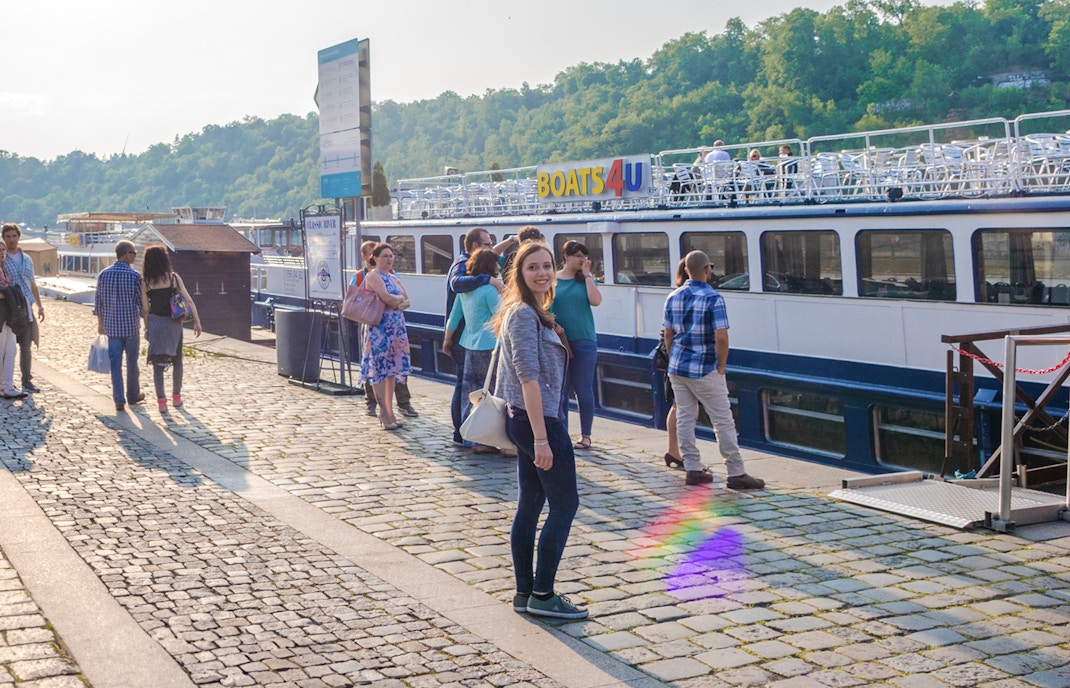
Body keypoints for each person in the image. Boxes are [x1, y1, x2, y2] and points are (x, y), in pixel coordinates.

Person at [493, 241, 587, 620]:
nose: (543, 273)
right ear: (520, 272)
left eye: (547, 266)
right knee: (565, 505)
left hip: (529, 420)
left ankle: (524, 593)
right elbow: (528, 378)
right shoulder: (523, 315)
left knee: (530, 506)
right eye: (533, 267)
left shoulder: (536, 312)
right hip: (539, 422)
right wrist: (542, 440)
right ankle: (544, 595)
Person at [662, 250, 764, 489]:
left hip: (677, 367)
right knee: (723, 420)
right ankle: (736, 472)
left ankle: (693, 469)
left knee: (686, 417)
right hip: (705, 368)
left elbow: (668, 334)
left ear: (686, 270)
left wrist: (672, 358)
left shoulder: (673, 296)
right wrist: (721, 366)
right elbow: (721, 338)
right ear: (707, 270)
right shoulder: (713, 298)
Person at [446, 227, 510, 446]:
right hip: (491, 347)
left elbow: (454, 317)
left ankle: (468, 438)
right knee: (490, 394)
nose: (499, 265)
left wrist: (447, 340)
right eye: (496, 262)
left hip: (468, 344)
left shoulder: (467, 290)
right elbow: (501, 318)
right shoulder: (489, 289)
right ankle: (488, 440)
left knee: (469, 392)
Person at [353, 239, 418, 419]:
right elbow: (387, 298)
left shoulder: (393, 276)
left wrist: (395, 302)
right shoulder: (373, 275)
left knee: (392, 372)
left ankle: (390, 411)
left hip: (396, 330)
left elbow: (408, 301)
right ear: (374, 258)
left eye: (391, 256)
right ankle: (383, 412)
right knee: (380, 370)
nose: (389, 259)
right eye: (385, 256)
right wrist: (396, 301)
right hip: (380, 330)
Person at [550, 241, 602, 451]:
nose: (582, 259)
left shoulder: (586, 280)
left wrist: (588, 275)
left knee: (584, 389)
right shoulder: (553, 280)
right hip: (559, 340)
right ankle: (561, 433)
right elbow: (546, 309)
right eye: (577, 255)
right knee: (561, 390)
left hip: (584, 340)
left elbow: (596, 301)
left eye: (584, 255)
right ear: (566, 257)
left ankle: (586, 436)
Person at [141, 244, 202, 413]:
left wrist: (147, 329)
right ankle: (177, 398)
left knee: (157, 364)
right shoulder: (173, 278)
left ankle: (161, 402)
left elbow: (145, 309)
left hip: (156, 323)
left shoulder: (145, 282)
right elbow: (188, 300)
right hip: (174, 324)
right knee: (177, 360)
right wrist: (197, 321)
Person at [94, 240, 144, 411]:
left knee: (115, 364)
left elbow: (98, 302)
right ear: (127, 253)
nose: (135, 257)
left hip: (112, 328)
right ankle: (133, 395)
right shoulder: (135, 276)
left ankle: (119, 399)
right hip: (130, 327)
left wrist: (100, 324)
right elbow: (140, 301)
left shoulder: (103, 274)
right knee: (132, 363)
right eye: (134, 253)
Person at [2, 223, 44, 393]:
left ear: (18, 237)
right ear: (4, 239)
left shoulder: (27, 259)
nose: (11, 240)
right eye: (8, 237)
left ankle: (27, 380)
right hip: (9, 308)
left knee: (26, 346)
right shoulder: (3, 258)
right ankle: (6, 382)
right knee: (7, 348)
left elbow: (32, 283)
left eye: (14, 236)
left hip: (26, 306)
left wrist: (40, 305)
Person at [661, 259, 689, 469]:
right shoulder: (692, 296)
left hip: (675, 360)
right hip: (686, 362)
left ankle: (674, 451)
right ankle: (678, 453)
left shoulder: (674, 296)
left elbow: (667, 331)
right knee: (682, 408)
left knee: (678, 406)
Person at [0, 249, 29, 399]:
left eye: (3, 250)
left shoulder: (3, 269)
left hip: (8, 315)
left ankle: (6, 384)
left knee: (10, 350)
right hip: (3, 316)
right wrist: (9, 291)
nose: (2, 253)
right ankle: (7, 386)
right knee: (7, 351)